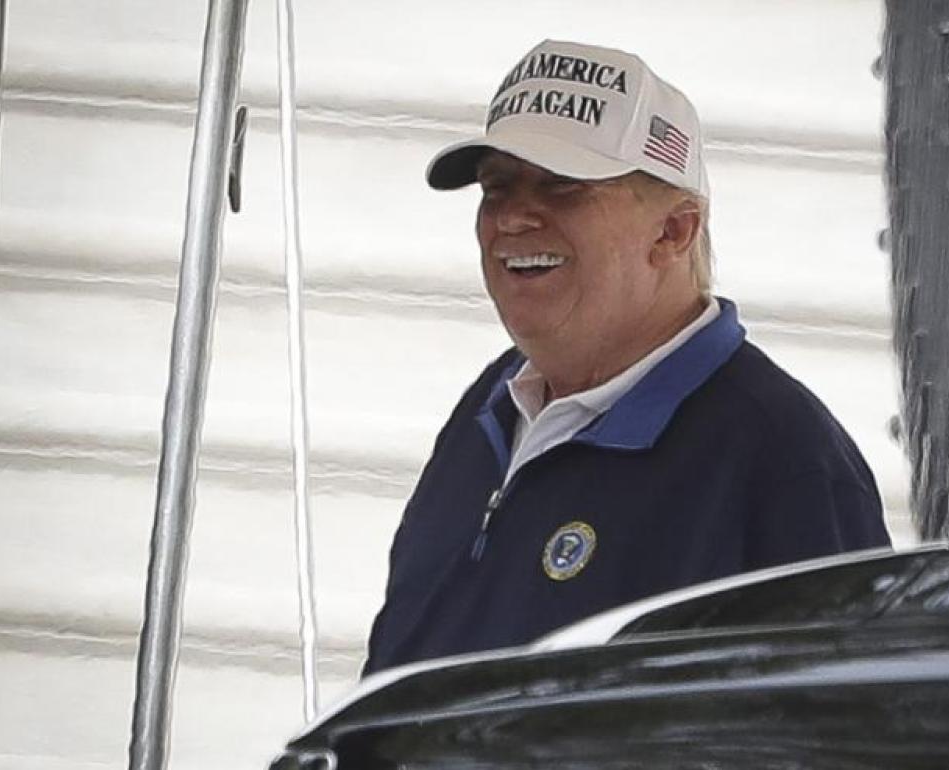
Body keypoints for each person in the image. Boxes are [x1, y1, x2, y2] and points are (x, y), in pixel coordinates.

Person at [364, 39, 890, 673]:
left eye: (562, 187)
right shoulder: (494, 403)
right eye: (497, 189)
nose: (513, 219)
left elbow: (844, 714)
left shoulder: (783, 458)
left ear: (673, 231)